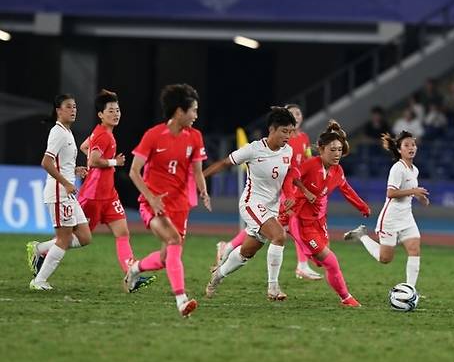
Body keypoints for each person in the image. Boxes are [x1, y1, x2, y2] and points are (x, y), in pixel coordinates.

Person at [27, 90, 154, 291]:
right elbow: (85, 159)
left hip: (106, 194)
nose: (116, 114)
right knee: (65, 238)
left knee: (102, 235)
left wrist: (75, 169)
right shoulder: (98, 135)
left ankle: (131, 274)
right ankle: (40, 266)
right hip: (90, 195)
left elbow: (85, 147)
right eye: (111, 110)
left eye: (118, 110)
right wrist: (114, 162)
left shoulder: (77, 132)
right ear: (101, 115)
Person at [123, 84, 211, 317]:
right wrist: (151, 198)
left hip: (180, 205)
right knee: (173, 240)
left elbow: (197, 171)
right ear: (179, 112)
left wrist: (203, 191)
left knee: (166, 258)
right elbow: (134, 171)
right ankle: (181, 301)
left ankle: (135, 268)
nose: (196, 115)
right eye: (193, 110)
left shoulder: (195, 137)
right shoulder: (153, 135)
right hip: (153, 204)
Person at [214, 104, 323, 281]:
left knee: (267, 229)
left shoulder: (303, 137)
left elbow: (306, 159)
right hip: (278, 191)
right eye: (293, 113)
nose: (297, 116)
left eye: (299, 113)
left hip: (291, 188)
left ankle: (227, 248)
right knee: (279, 226)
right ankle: (300, 266)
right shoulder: (272, 143)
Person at [204, 107, 297, 301]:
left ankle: (217, 276)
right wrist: (200, 178)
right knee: (279, 236)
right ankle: (273, 288)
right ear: (272, 129)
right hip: (251, 203)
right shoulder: (253, 149)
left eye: (291, 132)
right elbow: (225, 163)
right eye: (284, 131)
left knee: (247, 252)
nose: (288, 136)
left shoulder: (288, 151)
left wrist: (292, 194)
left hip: (271, 208)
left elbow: (289, 175)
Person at [287, 121, 371, 306]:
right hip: (302, 221)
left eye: (340, 150)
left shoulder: (337, 170)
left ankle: (227, 252)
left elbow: (346, 189)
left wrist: (362, 206)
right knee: (331, 261)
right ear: (322, 149)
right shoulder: (311, 164)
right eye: (333, 150)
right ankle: (346, 298)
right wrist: (304, 191)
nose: (337, 154)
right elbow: (292, 176)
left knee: (323, 262)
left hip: (319, 223)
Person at [344, 131, 429, 289]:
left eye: (413, 144)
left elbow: (411, 190)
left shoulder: (414, 170)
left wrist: (420, 197)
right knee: (385, 259)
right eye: (407, 145)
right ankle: (362, 235)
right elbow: (391, 193)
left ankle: (410, 290)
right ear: (399, 150)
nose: (411, 147)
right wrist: (414, 191)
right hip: (390, 218)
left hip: (407, 218)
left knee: (414, 249)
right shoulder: (398, 168)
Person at [28, 94, 91, 290]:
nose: (73, 110)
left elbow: (59, 164)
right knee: (63, 239)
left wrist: (74, 171)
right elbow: (46, 163)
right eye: (69, 107)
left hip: (67, 191)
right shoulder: (57, 132)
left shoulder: (67, 132)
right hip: (59, 193)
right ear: (58, 110)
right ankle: (38, 281)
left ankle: (39, 249)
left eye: (75, 107)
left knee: (84, 237)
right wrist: (66, 182)